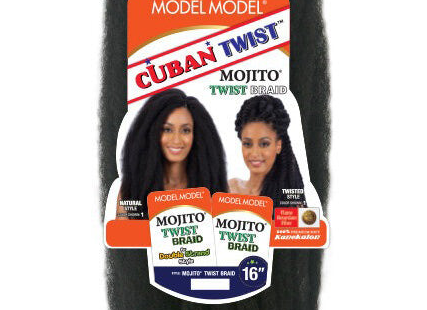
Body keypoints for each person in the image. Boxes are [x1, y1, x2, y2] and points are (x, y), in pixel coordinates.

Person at [116, 87, 227, 217]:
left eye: (185, 130)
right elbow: (123, 230)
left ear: (196, 135)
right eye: (167, 129)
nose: (176, 140)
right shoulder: (132, 189)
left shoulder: (213, 188)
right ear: (152, 133)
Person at [229, 94, 306, 207]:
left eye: (264, 144)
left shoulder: (291, 202)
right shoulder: (229, 189)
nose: (254, 153)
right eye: (247, 144)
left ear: (278, 145)